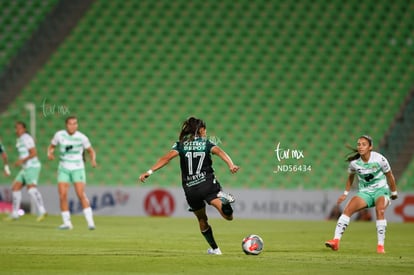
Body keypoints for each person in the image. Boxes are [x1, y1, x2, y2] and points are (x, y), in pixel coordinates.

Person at [139, 117, 240, 255]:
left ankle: (216, 250)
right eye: (205, 129)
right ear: (201, 130)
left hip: (191, 189)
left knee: (202, 219)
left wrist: (149, 172)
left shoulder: (181, 144)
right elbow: (220, 152)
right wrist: (231, 165)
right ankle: (225, 202)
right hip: (208, 185)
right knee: (228, 217)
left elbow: (166, 158)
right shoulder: (206, 143)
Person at [325, 135, 398, 254]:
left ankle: (380, 246)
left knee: (380, 210)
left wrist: (394, 192)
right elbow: (350, 178)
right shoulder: (354, 163)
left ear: (370, 147)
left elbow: (389, 175)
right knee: (347, 209)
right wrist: (345, 193)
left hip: (381, 190)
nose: (360, 146)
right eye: (359, 144)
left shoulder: (379, 159)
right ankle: (336, 241)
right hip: (365, 193)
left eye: (364, 144)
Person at [47, 116, 97, 230]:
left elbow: (91, 151)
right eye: (70, 123)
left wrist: (93, 160)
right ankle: (67, 223)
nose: (72, 126)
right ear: (66, 125)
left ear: (77, 125)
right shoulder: (59, 135)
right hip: (63, 168)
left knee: (80, 194)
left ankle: (90, 222)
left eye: (75, 123)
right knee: (63, 195)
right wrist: (50, 153)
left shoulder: (82, 137)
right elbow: (51, 146)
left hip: (77, 168)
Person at [5, 122, 47, 221]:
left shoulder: (26, 138)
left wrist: (21, 160)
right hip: (25, 168)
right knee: (15, 187)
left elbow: (33, 153)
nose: (17, 130)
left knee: (31, 189)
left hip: (32, 166)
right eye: (16, 128)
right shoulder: (20, 139)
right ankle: (15, 214)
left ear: (24, 129)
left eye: (19, 128)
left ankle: (42, 211)